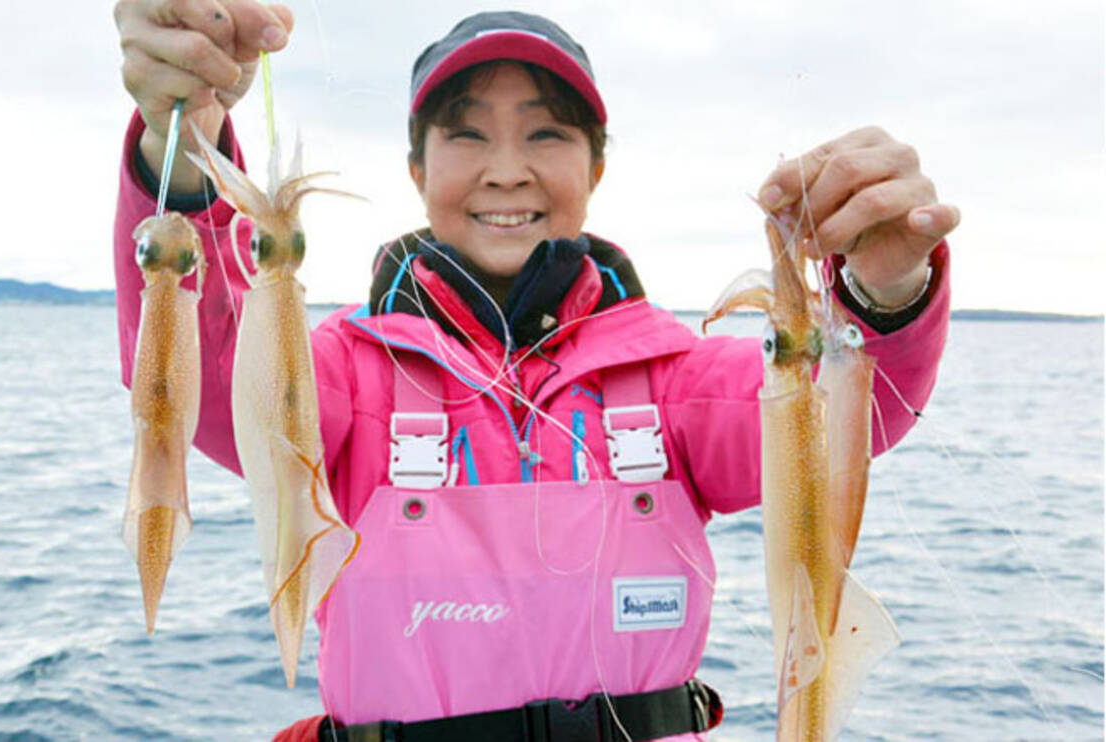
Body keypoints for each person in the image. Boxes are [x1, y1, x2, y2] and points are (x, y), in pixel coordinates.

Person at [112, 4, 958, 741]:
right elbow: (211, 380)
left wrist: (885, 290)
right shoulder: (344, 372)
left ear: (596, 166)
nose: (507, 168)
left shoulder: (673, 381)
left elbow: (839, 415)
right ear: (418, 169)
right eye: (467, 132)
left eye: (547, 133)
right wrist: (178, 154)